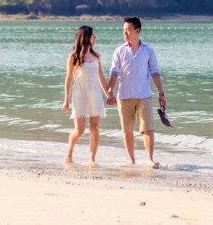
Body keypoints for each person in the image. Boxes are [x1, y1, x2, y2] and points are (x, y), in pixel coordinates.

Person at [106, 16, 166, 168]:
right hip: (124, 96)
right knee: (127, 130)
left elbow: (155, 72)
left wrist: (161, 93)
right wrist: (110, 90)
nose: (124, 33)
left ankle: (149, 159)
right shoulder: (119, 51)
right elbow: (114, 72)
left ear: (137, 30)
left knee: (147, 128)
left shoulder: (148, 51)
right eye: (123, 30)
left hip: (144, 95)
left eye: (128, 30)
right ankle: (131, 160)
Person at [61, 25, 111, 164]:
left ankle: (92, 159)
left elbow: (101, 77)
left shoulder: (97, 56)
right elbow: (69, 78)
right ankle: (69, 153)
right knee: (79, 130)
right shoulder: (73, 57)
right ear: (86, 37)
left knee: (95, 128)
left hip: (95, 92)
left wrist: (109, 94)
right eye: (93, 35)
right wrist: (66, 100)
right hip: (79, 94)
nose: (95, 37)